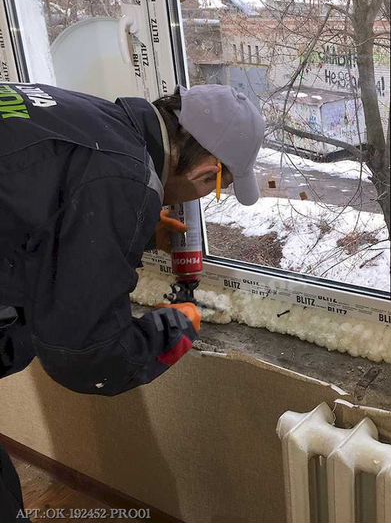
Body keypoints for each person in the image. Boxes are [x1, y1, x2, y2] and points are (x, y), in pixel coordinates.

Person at [0, 82, 265, 520]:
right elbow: (84, 354)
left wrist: (134, 224)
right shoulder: (121, 175)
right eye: (216, 188)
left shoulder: (92, 114)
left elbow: (42, 209)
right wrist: (173, 329)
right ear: (205, 173)